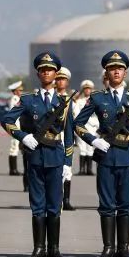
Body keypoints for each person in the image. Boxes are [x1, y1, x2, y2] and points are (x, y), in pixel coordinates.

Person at [2, 52, 74, 257]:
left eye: (50, 70)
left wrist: (68, 163)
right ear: (38, 73)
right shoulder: (27, 100)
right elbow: (7, 120)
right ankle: (39, 248)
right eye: (43, 70)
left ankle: (54, 249)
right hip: (35, 156)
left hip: (55, 156)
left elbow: (68, 134)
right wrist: (23, 137)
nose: (46, 73)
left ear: (56, 73)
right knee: (37, 204)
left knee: (54, 204)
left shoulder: (64, 101)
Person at [74, 51, 129, 257]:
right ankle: (108, 248)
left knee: (125, 205)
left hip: (127, 156)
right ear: (107, 72)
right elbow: (77, 123)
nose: (116, 71)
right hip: (106, 155)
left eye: (119, 68)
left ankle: (124, 249)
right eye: (112, 68)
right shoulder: (97, 98)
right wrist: (93, 140)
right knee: (106, 204)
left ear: (125, 72)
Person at [55, 67, 75, 211]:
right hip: (51, 138)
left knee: (67, 171)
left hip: (63, 136)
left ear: (67, 82)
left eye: (63, 79)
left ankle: (66, 200)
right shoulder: (50, 97)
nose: (60, 82)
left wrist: (68, 157)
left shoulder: (69, 101)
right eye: (59, 79)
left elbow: (70, 126)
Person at [74, 80, 98, 175]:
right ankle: (81, 170)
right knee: (82, 148)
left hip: (93, 127)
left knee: (90, 148)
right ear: (83, 90)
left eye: (89, 89)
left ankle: (89, 170)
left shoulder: (95, 100)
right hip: (82, 127)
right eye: (85, 89)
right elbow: (76, 114)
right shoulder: (79, 101)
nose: (87, 90)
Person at [7, 80, 24, 176]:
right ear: (15, 91)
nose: (21, 92)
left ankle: (14, 169)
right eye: (19, 90)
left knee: (15, 147)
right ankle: (13, 170)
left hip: (17, 125)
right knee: (14, 147)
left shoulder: (16, 98)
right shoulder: (15, 99)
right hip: (15, 126)